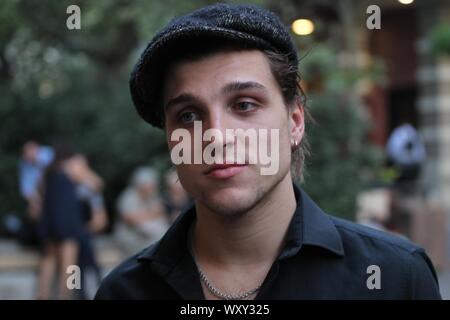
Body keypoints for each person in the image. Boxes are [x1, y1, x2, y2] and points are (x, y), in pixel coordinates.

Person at [96, 3, 441, 299]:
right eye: (188, 115)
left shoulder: (394, 279)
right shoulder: (126, 291)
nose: (216, 136)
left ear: (294, 122)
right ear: (171, 138)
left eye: (244, 105)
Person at [36, 143, 86, 299]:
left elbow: (40, 193)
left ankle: (42, 295)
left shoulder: (49, 172)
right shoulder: (70, 168)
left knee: (49, 259)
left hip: (50, 221)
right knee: (71, 264)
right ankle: (67, 295)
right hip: (68, 222)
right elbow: (96, 184)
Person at [116, 167, 169, 250]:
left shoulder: (153, 196)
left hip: (149, 236)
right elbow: (129, 218)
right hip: (131, 238)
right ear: (140, 184)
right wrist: (151, 215)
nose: (152, 187)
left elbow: (161, 211)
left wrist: (143, 216)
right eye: (149, 184)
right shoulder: (129, 196)